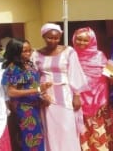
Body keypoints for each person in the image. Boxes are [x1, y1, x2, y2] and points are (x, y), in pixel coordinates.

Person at [31, 23, 88, 151]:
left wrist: (77, 95)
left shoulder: (69, 51)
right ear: (43, 37)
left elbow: (75, 73)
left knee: (67, 127)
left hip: (65, 95)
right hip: (47, 97)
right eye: (49, 38)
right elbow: (34, 76)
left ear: (60, 37)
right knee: (51, 130)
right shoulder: (36, 54)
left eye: (56, 38)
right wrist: (41, 94)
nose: (53, 41)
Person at [1, 38, 52, 151]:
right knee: (31, 139)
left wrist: (42, 96)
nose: (29, 53)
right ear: (15, 52)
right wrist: (37, 90)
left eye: (30, 50)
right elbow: (11, 92)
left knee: (37, 137)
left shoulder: (28, 65)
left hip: (35, 107)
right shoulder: (14, 68)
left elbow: (31, 85)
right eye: (25, 51)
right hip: (24, 109)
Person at [72, 27, 113, 151]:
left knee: (100, 130)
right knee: (82, 132)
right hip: (78, 100)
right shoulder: (71, 56)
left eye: (85, 40)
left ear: (92, 41)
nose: (81, 43)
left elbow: (111, 75)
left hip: (99, 100)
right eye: (78, 39)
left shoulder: (99, 55)